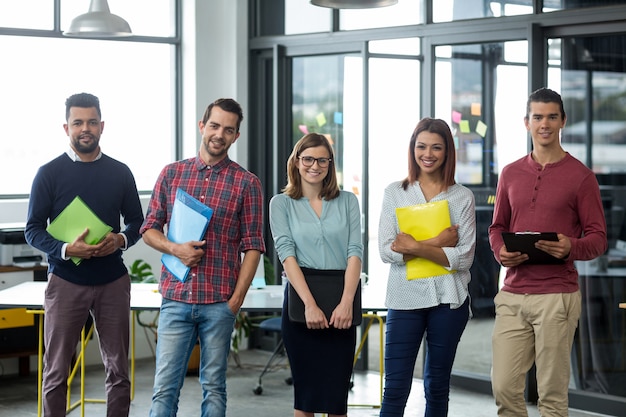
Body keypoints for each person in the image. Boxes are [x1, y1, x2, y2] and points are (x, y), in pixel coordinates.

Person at [141, 98, 265, 417]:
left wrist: (235, 301)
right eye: (214, 126)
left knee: (214, 388)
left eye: (228, 129)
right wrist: (176, 249)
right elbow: (149, 228)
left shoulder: (247, 183)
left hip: (219, 303)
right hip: (176, 298)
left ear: (236, 136)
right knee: (165, 388)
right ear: (202, 126)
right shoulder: (171, 174)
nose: (219, 134)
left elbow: (253, 245)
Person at [488, 87, 607, 416]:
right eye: (537, 117)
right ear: (526, 123)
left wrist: (571, 246)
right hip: (513, 294)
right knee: (503, 387)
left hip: (557, 296)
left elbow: (598, 238)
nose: (544, 124)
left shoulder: (581, 177)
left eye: (551, 117)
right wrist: (501, 252)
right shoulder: (510, 173)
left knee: (552, 397)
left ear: (563, 121)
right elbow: (496, 227)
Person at [24, 92, 144, 417]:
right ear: (66, 128)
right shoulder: (48, 173)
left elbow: (137, 222)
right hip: (65, 281)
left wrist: (120, 239)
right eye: (78, 122)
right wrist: (65, 249)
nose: (85, 128)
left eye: (92, 122)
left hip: (112, 282)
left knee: (118, 371)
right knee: (55, 371)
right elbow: (32, 229)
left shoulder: (120, 172)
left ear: (102, 126)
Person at [378, 117, 476, 417]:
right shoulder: (395, 192)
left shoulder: (462, 197)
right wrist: (438, 242)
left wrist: (415, 246)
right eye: (421, 146)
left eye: (436, 147)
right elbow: (386, 250)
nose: (428, 154)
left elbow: (464, 258)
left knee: (437, 386)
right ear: (412, 149)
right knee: (395, 388)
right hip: (405, 299)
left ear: (447, 151)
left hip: (449, 302)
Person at [269, 133, 363, 417]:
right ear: (296, 162)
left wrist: (347, 302)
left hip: (341, 298)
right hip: (301, 302)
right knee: (306, 399)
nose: (315, 165)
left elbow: (355, 252)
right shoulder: (281, 203)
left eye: (322, 160)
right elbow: (287, 256)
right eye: (308, 158)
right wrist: (309, 304)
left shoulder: (348, 201)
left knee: (337, 401)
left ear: (330, 164)